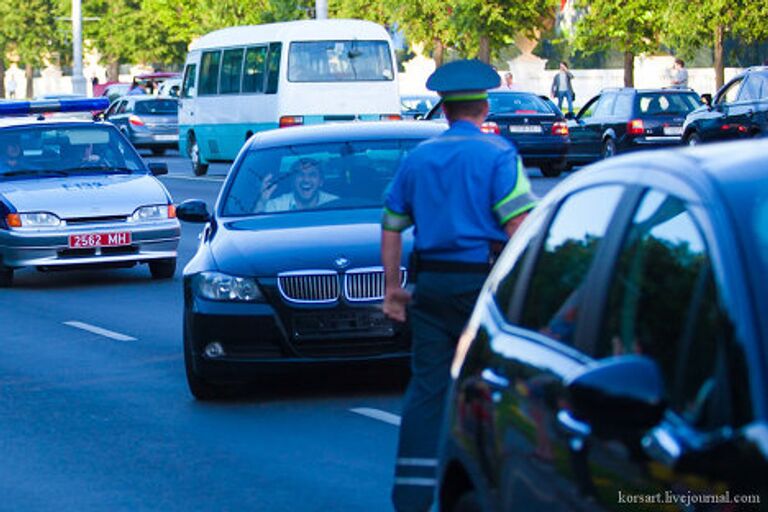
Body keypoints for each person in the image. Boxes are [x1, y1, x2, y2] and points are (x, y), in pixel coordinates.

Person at [381, 59, 537, 512]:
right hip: (480, 290)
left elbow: (391, 225)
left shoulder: (418, 159)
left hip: (429, 289)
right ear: (484, 108)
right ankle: (492, 487)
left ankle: (411, 497)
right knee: (492, 387)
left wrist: (393, 289)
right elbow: (519, 227)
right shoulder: (498, 155)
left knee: (427, 391)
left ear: (444, 111)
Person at [258, 158, 337, 212]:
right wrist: (262, 201)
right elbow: (256, 226)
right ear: (292, 181)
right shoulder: (276, 206)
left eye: (312, 175)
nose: (306, 179)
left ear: (321, 181)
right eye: (300, 174)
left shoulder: (335, 204)